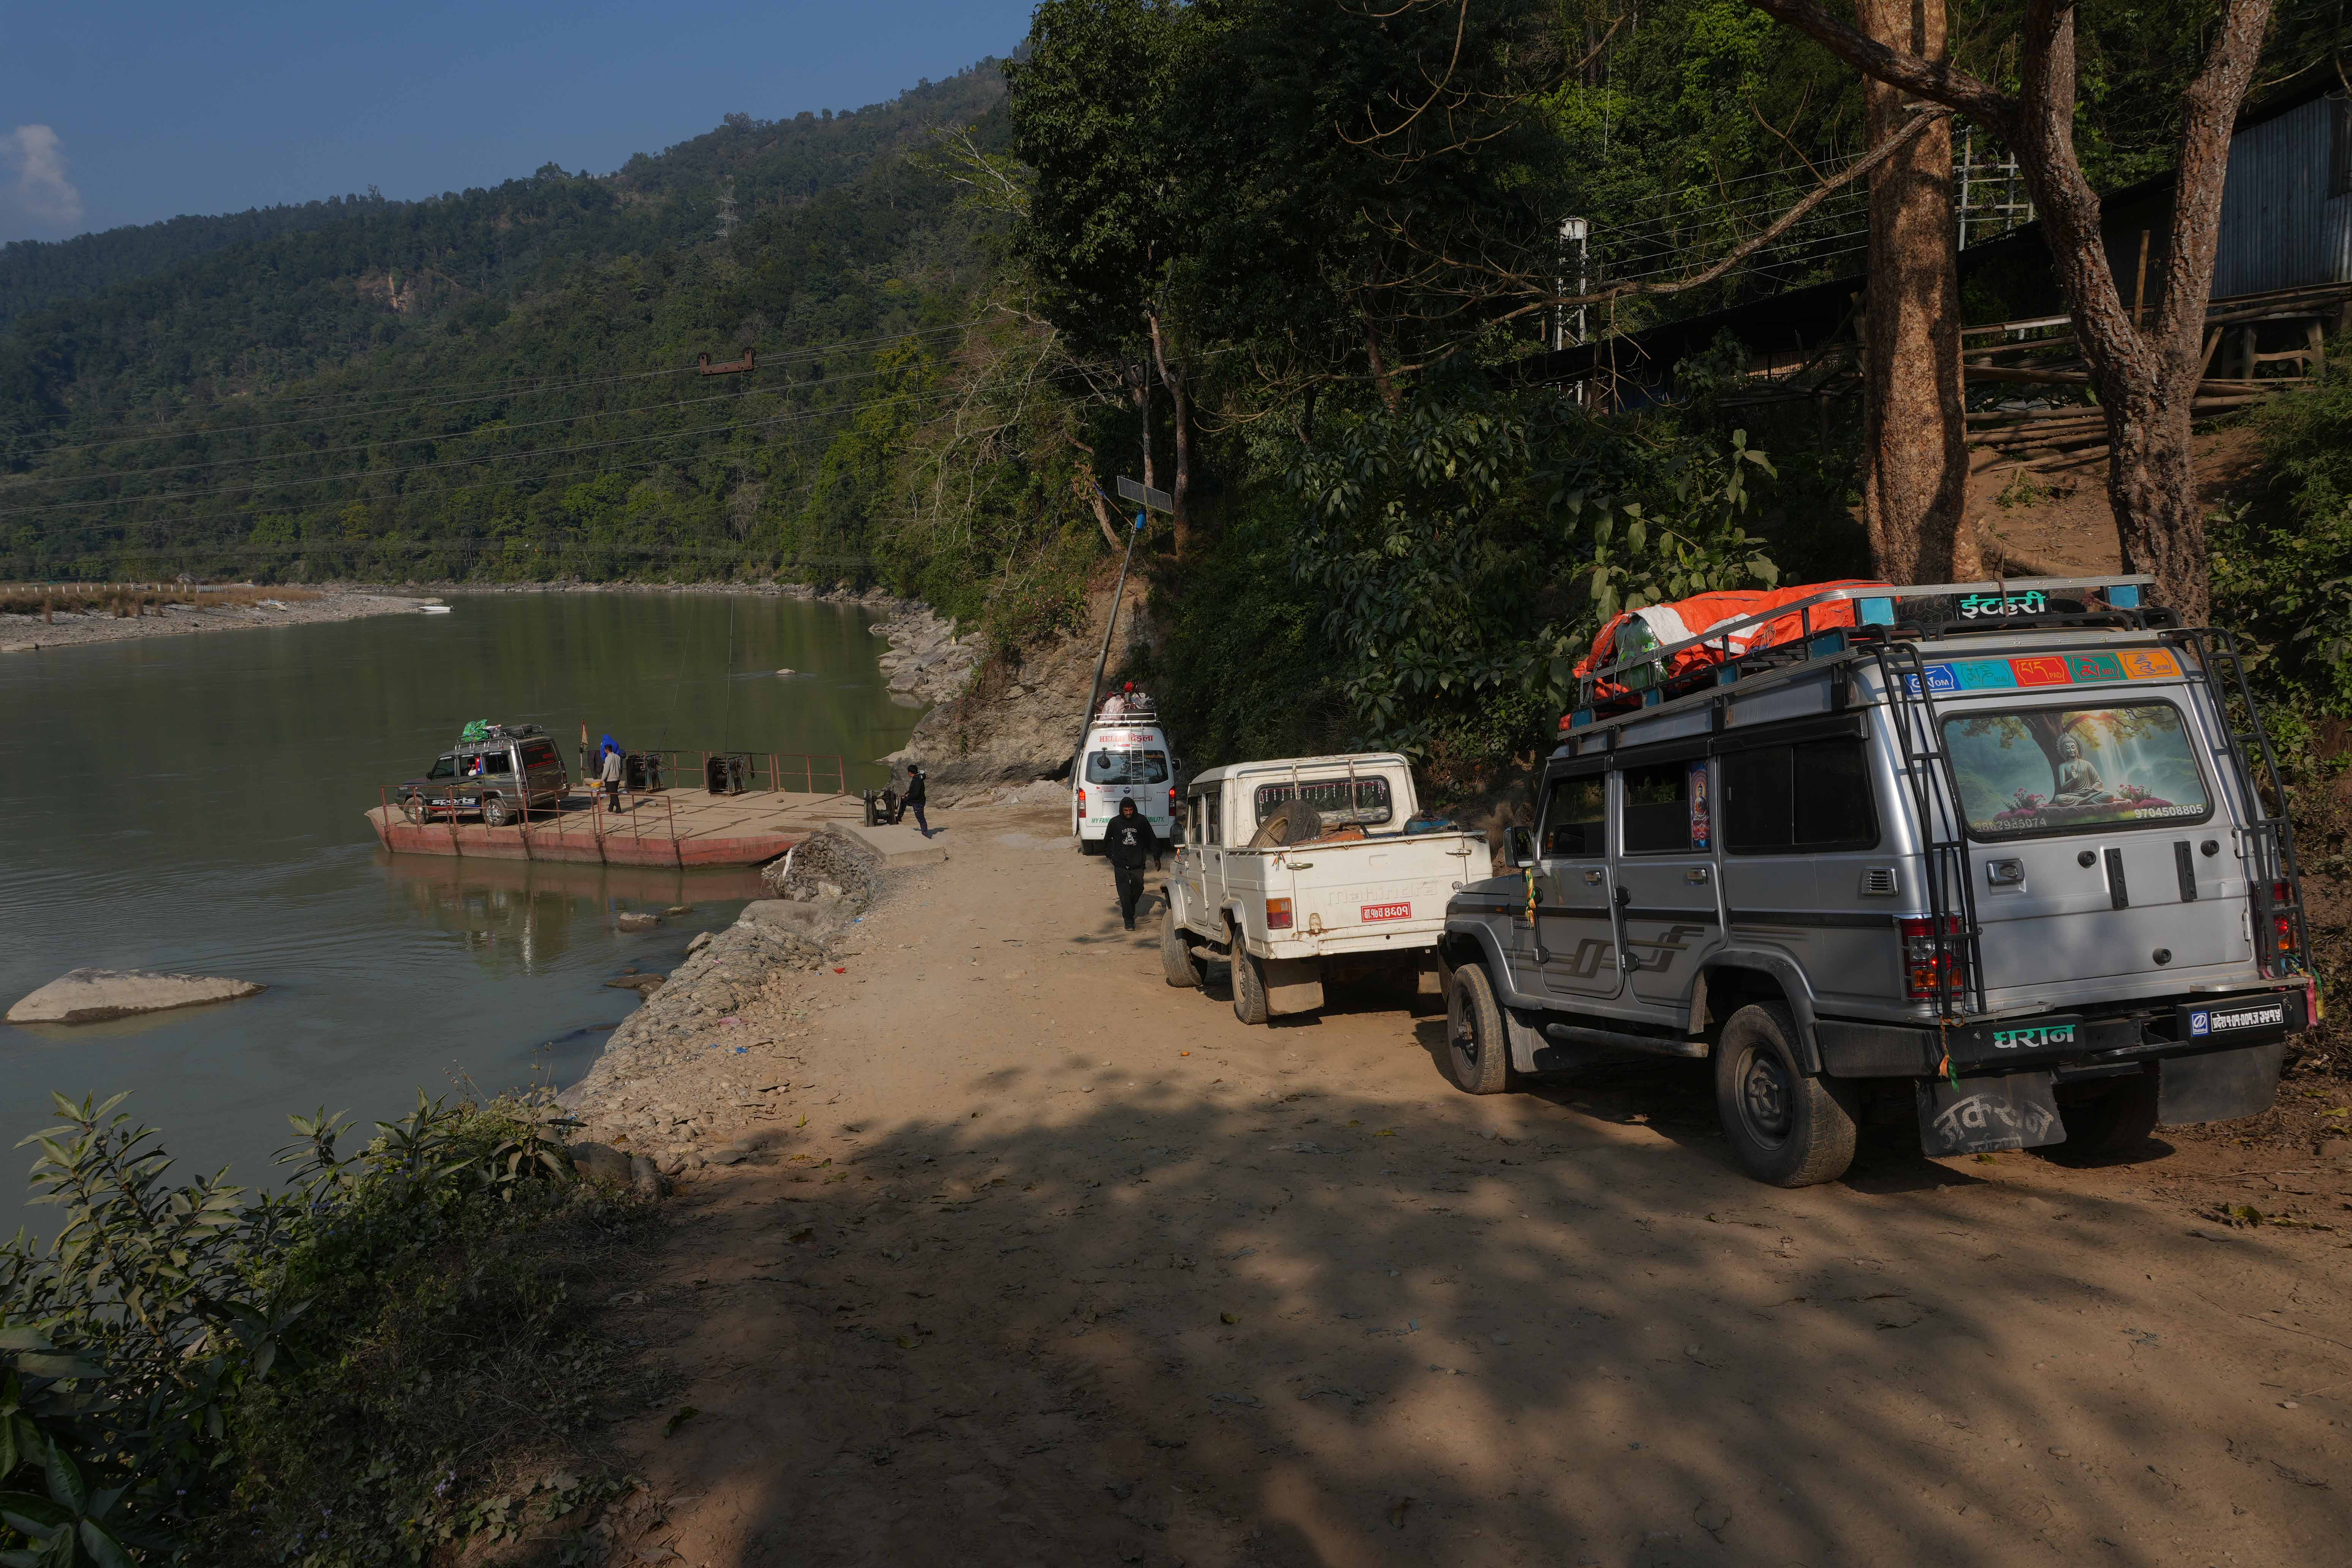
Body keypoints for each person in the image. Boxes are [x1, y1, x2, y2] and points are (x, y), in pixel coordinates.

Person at [1103, 796, 1161, 931]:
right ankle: (1129, 921)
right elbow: (1107, 840)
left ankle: (1130, 906)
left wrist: (1157, 856)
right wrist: (1110, 855)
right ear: (1122, 810)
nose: (1128, 813)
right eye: (1126, 810)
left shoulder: (1141, 821)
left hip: (1137, 862)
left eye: (1130, 810)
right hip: (1121, 864)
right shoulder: (1115, 823)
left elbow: (1151, 838)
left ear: (1134, 809)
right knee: (1124, 894)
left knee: (1139, 887)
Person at [902, 762, 929, 836]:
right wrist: (906, 795)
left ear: (910, 773)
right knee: (904, 801)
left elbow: (916, 794)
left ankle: (925, 835)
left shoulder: (917, 781)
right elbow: (912, 790)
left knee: (921, 819)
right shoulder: (916, 779)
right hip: (915, 800)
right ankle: (899, 817)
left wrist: (908, 796)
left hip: (918, 802)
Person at [599, 738, 624, 811]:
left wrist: (602, 779)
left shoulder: (608, 758)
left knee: (613, 795)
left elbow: (606, 770)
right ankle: (611, 808)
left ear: (606, 751)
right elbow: (620, 767)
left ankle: (619, 809)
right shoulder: (618, 757)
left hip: (611, 779)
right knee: (613, 793)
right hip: (617, 778)